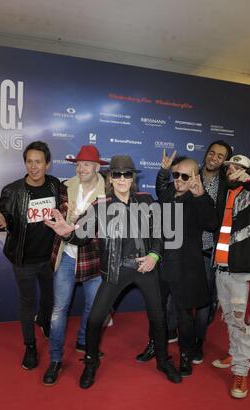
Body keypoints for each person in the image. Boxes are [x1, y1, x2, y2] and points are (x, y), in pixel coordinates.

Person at [45, 155, 181, 388]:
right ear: (109, 178)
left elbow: (159, 235)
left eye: (126, 174)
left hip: (144, 267)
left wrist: (154, 256)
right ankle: (90, 363)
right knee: (96, 319)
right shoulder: (99, 206)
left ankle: (162, 361)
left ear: (133, 177)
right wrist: (66, 232)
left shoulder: (147, 201)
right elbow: (80, 237)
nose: (121, 178)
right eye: (116, 174)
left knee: (158, 318)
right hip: (115, 270)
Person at [136, 156, 218, 376]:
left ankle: (185, 355)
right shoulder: (168, 193)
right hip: (160, 264)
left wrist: (201, 196)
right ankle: (155, 345)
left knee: (184, 316)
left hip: (186, 268)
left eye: (185, 176)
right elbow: (160, 187)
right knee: (156, 310)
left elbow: (211, 223)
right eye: (176, 175)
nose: (179, 180)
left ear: (195, 177)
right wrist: (164, 171)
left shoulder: (199, 198)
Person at [43, 145, 108, 386]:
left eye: (86, 164)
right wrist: (67, 220)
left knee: (93, 308)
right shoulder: (66, 187)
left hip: (93, 259)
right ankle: (55, 359)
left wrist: (77, 226)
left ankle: (83, 341)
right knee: (59, 310)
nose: (81, 168)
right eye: (78, 164)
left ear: (97, 167)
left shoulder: (106, 193)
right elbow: (61, 215)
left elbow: (104, 229)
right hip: (67, 256)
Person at [0, 141, 60, 370]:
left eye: (38, 162)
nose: (33, 167)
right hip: (23, 260)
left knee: (50, 298)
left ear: (47, 164)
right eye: (29, 162)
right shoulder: (12, 190)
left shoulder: (54, 186)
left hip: (50, 258)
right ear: (25, 163)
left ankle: (44, 321)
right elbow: (3, 221)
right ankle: (30, 346)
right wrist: (3, 224)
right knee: (27, 302)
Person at [212, 154, 250, 398]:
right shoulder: (224, 193)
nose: (232, 170)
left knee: (241, 321)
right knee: (229, 317)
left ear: (247, 172)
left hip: (244, 272)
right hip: (222, 268)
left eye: (238, 168)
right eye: (230, 167)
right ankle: (234, 353)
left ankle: (241, 370)